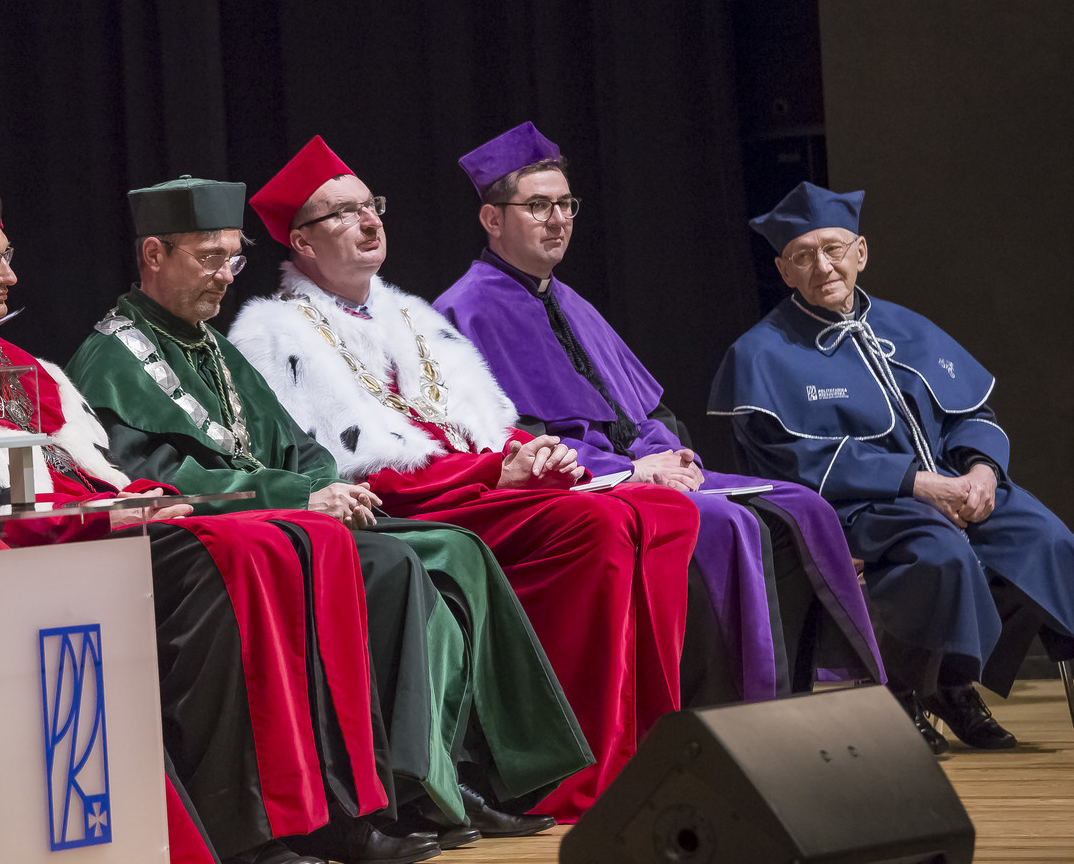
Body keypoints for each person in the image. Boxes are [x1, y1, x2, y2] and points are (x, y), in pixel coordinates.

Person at [0, 171, 392, 864]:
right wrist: (98, 516)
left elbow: (89, 472)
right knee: (235, 552)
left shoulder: (21, 364)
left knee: (305, 536)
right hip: (17, 555)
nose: (12, 277)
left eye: (8, 257)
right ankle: (242, 827)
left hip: (85, 527)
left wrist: (136, 495)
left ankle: (327, 807)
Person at [68, 177, 593, 855]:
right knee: (391, 565)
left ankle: (448, 777)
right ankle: (371, 799)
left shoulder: (213, 348)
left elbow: (302, 448)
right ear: (153, 255)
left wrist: (325, 489)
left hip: (284, 521)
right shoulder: (111, 358)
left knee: (456, 548)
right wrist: (297, 497)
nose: (225, 276)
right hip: (205, 544)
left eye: (233, 259)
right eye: (208, 258)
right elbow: (154, 478)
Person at [228, 138, 702, 821]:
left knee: (663, 509)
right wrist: (497, 470)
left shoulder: (409, 316)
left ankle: (648, 750)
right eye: (343, 213)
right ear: (302, 242)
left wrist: (532, 453)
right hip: (414, 506)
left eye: (371, 205)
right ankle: (573, 769)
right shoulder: (276, 336)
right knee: (597, 523)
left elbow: (479, 422)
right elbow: (356, 469)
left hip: (478, 485)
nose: (369, 221)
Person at [433, 124, 884, 707]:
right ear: (492, 219)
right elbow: (515, 441)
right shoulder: (462, 312)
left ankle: (803, 702)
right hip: (580, 486)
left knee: (803, 509)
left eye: (566, 204)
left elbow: (646, 409)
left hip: (642, 468)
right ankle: (723, 714)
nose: (558, 220)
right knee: (729, 524)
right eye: (539, 206)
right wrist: (635, 472)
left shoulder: (569, 301)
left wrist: (673, 455)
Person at [710, 181, 1074, 751]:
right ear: (784, 271)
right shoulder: (761, 353)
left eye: (833, 249)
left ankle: (948, 682)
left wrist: (982, 472)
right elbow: (790, 459)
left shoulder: (909, 327)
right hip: (857, 507)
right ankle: (906, 689)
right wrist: (917, 484)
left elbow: (972, 414)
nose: (822, 267)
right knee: (938, 555)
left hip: (955, 486)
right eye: (803, 256)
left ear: (860, 252)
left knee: (1045, 540)